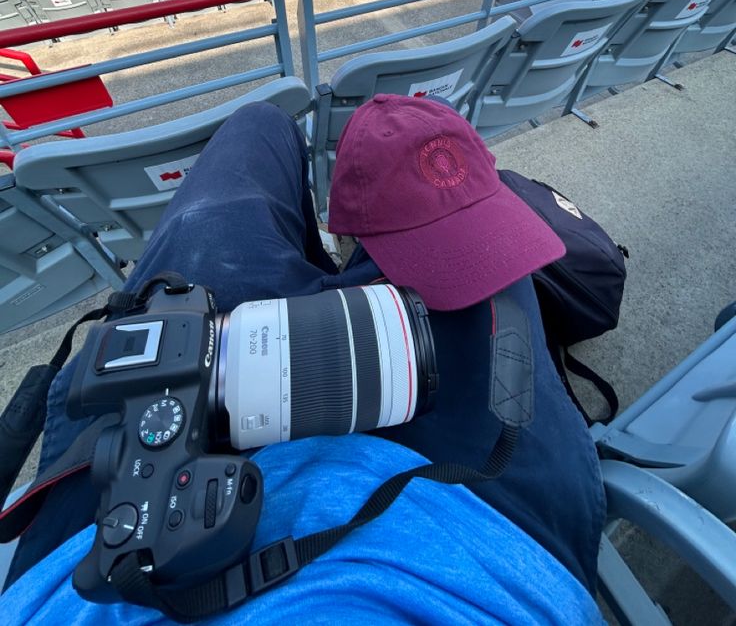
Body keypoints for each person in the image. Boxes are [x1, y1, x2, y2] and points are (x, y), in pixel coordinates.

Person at [2, 97, 605, 625]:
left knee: (259, 125)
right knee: (487, 281)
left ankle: (350, 249)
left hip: (102, 550)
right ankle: (367, 251)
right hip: (495, 543)